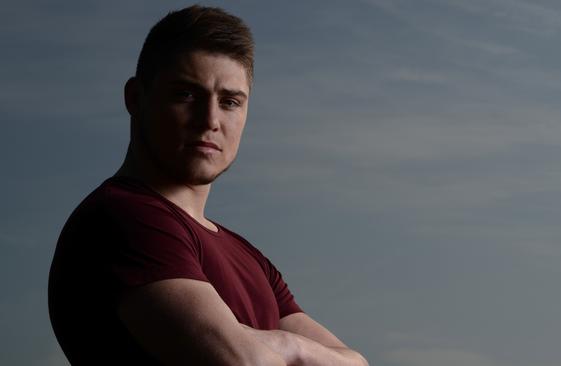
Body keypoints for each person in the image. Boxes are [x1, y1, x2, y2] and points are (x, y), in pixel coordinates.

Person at [48, 5, 368, 366]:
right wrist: (283, 347)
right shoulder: (125, 217)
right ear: (136, 98)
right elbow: (242, 364)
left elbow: (355, 363)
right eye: (186, 95)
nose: (210, 121)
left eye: (230, 102)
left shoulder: (250, 257)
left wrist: (286, 346)